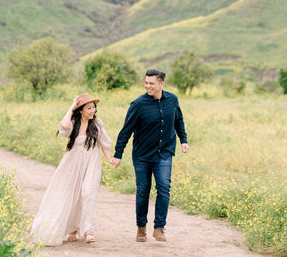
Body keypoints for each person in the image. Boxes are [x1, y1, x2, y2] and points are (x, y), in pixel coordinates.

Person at [112, 68, 189, 243]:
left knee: (164, 188)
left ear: (161, 83)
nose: (148, 86)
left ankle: (159, 228)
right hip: (142, 156)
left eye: (151, 83)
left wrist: (183, 140)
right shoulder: (138, 104)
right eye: (146, 83)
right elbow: (126, 130)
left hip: (164, 153)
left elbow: (178, 121)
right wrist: (118, 154)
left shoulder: (172, 100)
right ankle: (141, 227)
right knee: (143, 191)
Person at [31, 93, 114, 245]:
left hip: (91, 162)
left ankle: (88, 230)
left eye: (94, 107)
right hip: (72, 163)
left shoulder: (96, 123)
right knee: (71, 194)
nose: (93, 111)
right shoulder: (74, 122)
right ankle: (73, 229)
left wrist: (110, 159)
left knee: (88, 193)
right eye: (89, 108)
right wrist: (71, 108)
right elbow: (64, 127)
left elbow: (104, 143)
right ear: (81, 110)